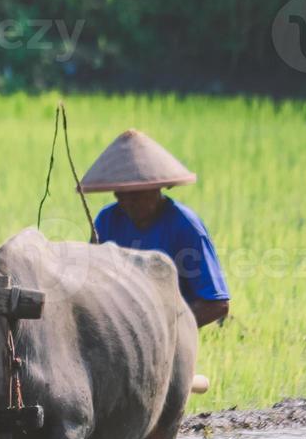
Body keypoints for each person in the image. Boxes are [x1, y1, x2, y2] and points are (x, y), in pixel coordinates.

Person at [79, 129, 230, 327]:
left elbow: (216, 304)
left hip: (170, 330)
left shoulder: (185, 226)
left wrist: (162, 330)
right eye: (123, 195)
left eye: (138, 195)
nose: (129, 203)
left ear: (156, 189)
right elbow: (91, 285)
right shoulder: (107, 221)